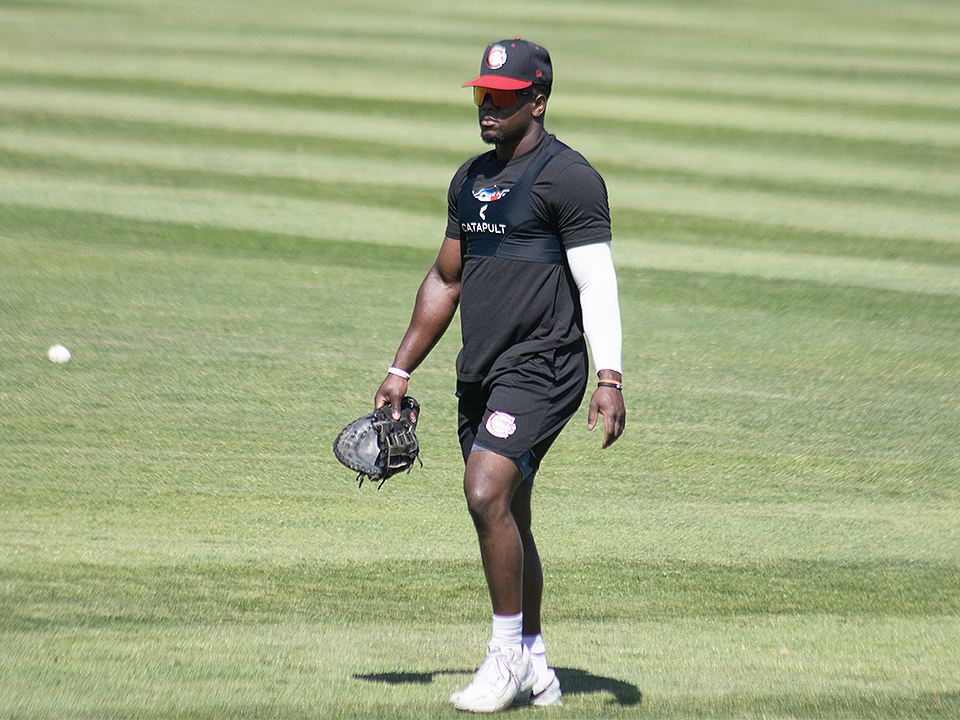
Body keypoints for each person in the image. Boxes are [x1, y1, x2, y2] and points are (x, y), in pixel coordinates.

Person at [375, 38, 626, 713]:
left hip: (545, 367)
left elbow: (596, 284)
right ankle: (539, 663)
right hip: (479, 371)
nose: (489, 106)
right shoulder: (470, 180)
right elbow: (445, 279)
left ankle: (505, 657)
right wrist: (400, 367)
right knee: (509, 510)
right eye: (484, 94)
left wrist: (610, 376)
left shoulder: (568, 179)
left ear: (538, 100)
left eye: (506, 96)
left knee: (484, 489)